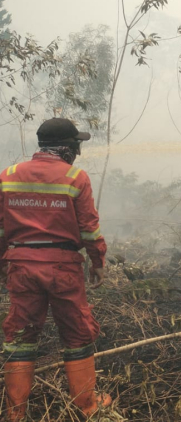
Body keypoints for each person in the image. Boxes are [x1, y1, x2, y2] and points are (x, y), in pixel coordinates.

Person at [0, 118, 112, 421]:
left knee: (20, 336)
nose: (78, 150)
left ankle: (15, 413)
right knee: (77, 333)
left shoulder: (7, 176)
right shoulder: (76, 177)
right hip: (63, 268)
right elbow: (89, 229)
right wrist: (98, 262)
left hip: (21, 267)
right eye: (77, 143)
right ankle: (88, 406)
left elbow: (0, 228)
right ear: (67, 147)